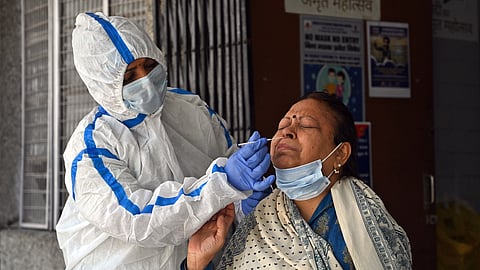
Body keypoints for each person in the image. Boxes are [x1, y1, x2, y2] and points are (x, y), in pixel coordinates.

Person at [55, 12, 274, 269]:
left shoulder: (191, 109)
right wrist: (224, 182)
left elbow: (225, 180)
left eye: (149, 66)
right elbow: (135, 219)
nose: (145, 80)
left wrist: (242, 202)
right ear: (101, 84)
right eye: (129, 77)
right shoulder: (92, 145)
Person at [186, 91, 412, 269]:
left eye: (305, 125)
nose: (287, 132)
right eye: (283, 125)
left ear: (340, 154)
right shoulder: (263, 217)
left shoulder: (362, 222)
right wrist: (196, 263)